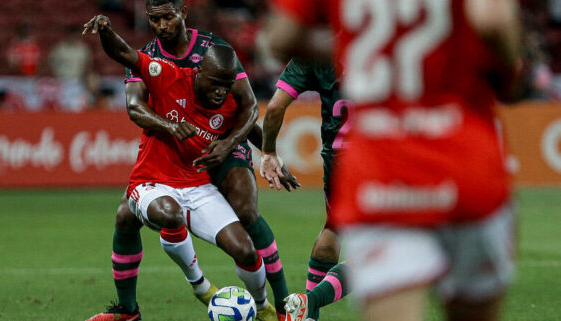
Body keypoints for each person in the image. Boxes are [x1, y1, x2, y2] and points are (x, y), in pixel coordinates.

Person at [266, 0, 522, 321]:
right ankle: (311, 304)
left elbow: (280, 37)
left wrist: (358, 49)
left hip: (381, 172)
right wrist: (510, 68)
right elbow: (494, 20)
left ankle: (309, 304)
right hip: (462, 162)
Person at [86, 1, 291, 320]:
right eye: (156, 18)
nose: (222, 92)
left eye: (227, 86)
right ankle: (199, 287)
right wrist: (106, 30)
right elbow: (126, 57)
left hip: (198, 180)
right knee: (161, 214)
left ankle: (266, 307)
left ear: (183, 12)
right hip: (152, 180)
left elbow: (249, 115)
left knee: (245, 245)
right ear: (198, 74)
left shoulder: (220, 68)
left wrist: (269, 153)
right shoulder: (165, 73)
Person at [260, 58, 351, 320]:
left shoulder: (315, 50)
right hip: (377, 153)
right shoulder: (383, 43)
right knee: (385, 249)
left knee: (333, 229)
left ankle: (308, 316)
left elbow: (275, 106)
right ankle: (309, 302)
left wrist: (268, 152)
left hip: (338, 157)